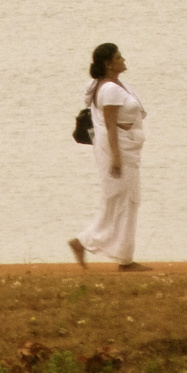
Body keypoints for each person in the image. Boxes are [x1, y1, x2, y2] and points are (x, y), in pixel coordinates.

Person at [68, 43, 150, 271]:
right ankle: (93, 245)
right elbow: (111, 126)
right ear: (108, 63)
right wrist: (116, 158)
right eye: (118, 57)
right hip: (119, 151)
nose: (123, 59)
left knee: (124, 201)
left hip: (127, 149)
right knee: (123, 201)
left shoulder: (108, 85)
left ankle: (120, 254)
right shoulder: (110, 90)